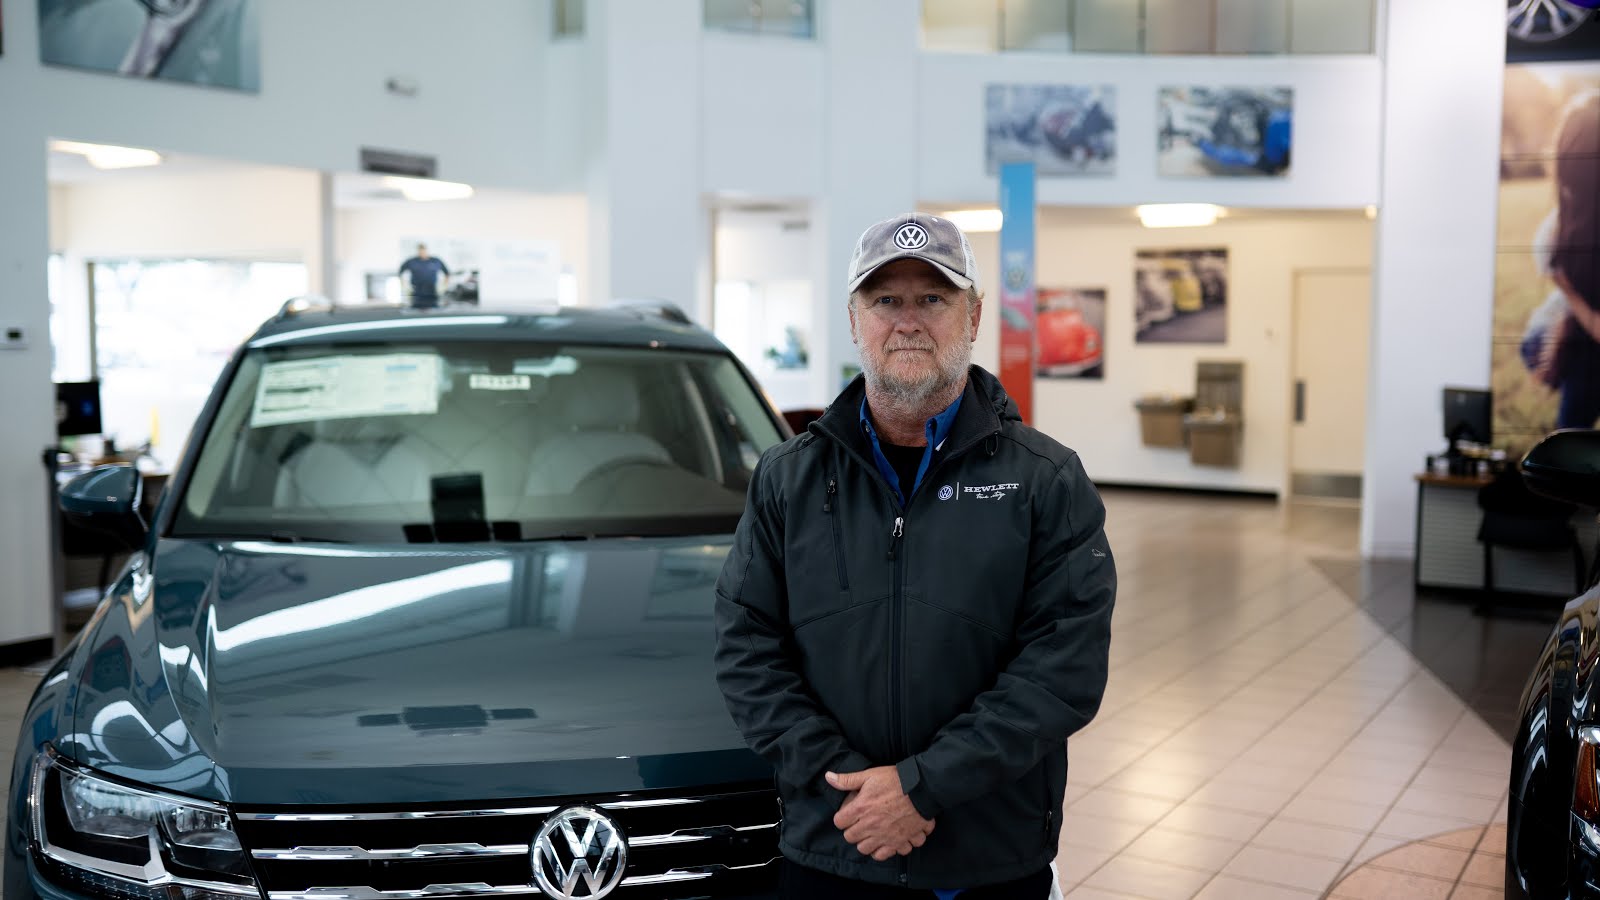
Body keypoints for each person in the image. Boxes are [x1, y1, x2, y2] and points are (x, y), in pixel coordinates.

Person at [713, 213, 1116, 898]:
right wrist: (852, 789)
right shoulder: (788, 479)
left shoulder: (1045, 481)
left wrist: (923, 786)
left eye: (932, 298)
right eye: (885, 300)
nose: (907, 322)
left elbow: (1062, 670)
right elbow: (747, 650)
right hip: (835, 845)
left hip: (987, 854)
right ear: (854, 320)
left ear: (974, 316)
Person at [1525, 90, 1600, 429]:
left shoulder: (1561, 226)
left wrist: (1570, 295)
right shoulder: (1557, 230)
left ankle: (1569, 443)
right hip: (1571, 332)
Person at [399, 244, 450, 309]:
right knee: (415, 310)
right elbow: (400, 273)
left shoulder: (436, 261)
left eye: (423, 251)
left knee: (433, 310)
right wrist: (405, 286)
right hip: (416, 293)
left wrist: (443, 287)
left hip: (432, 292)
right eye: (420, 251)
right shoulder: (412, 261)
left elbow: (447, 273)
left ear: (426, 250)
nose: (422, 253)